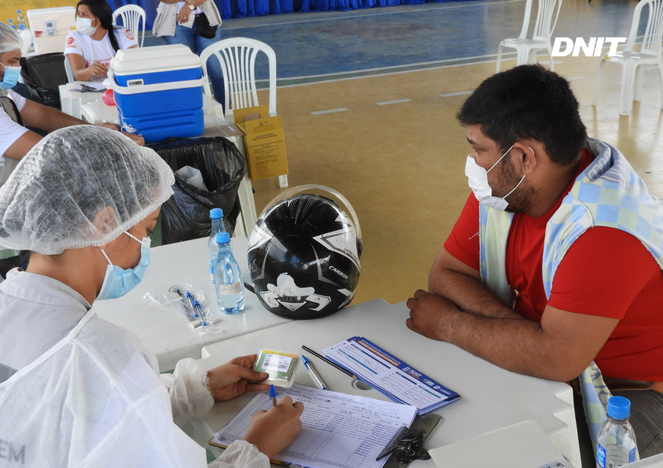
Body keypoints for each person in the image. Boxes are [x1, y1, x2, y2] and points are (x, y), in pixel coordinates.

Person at [0, 126, 303, 467]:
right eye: (145, 230)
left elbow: (66, 418)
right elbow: (97, 390)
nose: (145, 249)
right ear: (104, 225)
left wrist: (194, 390)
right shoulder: (96, 354)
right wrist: (256, 448)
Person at [406, 65, 663, 462]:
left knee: (503, 455)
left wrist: (448, 324)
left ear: (524, 156)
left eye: (478, 149)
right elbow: (446, 275)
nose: (473, 163)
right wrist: (522, 336)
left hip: (629, 398)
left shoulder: (603, 230)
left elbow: (558, 360)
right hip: (555, 374)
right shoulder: (505, 188)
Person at [0, 22, 143, 188]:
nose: (18, 67)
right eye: (12, 61)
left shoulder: (4, 92)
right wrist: (107, 141)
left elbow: (42, 114)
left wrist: (94, 129)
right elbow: (47, 154)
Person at [153, 0, 225, 107]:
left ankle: (224, 110)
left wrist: (189, 6)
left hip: (206, 19)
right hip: (175, 24)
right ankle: (194, 110)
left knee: (215, 69)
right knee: (186, 72)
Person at [65, 0, 138, 81]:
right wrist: (90, 71)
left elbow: (132, 63)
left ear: (99, 19)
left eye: (85, 14)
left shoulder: (121, 33)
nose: (80, 18)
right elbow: (77, 75)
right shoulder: (75, 37)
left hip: (118, 82)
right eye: (79, 13)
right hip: (90, 87)